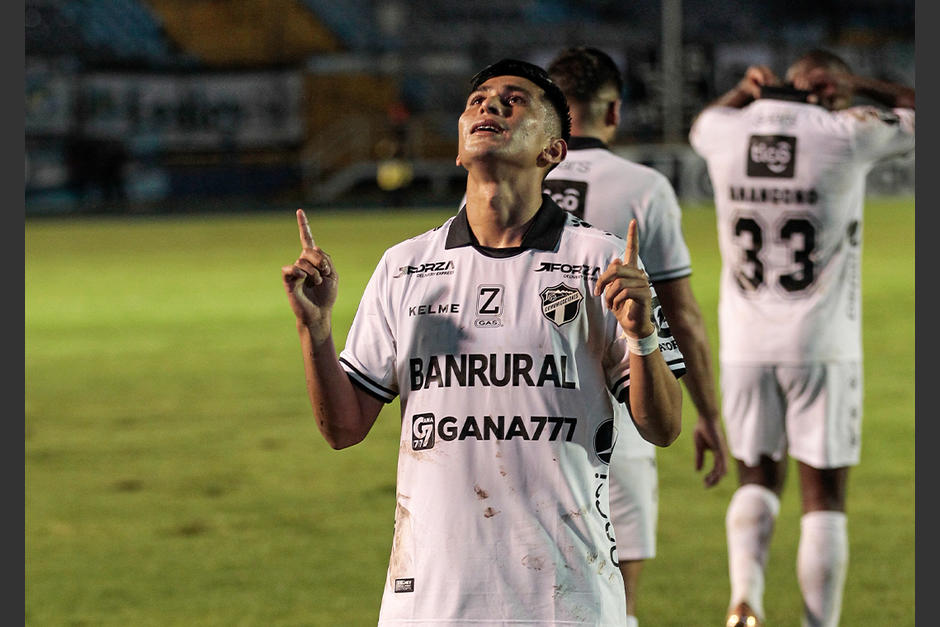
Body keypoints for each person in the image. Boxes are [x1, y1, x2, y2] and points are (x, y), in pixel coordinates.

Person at [282, 58, 686, 625]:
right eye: (477, 100)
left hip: (565, 596)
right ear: (457, 148)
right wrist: (315, 330)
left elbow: (664, 427)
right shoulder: (404, 267)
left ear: (553, 150)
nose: (488, 106)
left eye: (514, 100)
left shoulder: (601, 261)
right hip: (431, 598)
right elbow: (343, 428)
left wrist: (642, 336)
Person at [688, 49, 915, 627]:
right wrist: (858, 83)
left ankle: (745, 599)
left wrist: (746, 91)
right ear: (828, 86)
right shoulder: (846, 133)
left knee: (757, 479)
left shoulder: (725, 132)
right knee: (824, 499)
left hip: (744, 344)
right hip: (822, 343)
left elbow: (700, 124)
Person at [543, 46, 730, 627]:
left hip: (529, 408)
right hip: (623, 409)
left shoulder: (511, 182)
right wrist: (708, 413)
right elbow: (682, 314)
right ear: (614, 111)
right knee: (616, 597)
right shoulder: (643, 187)